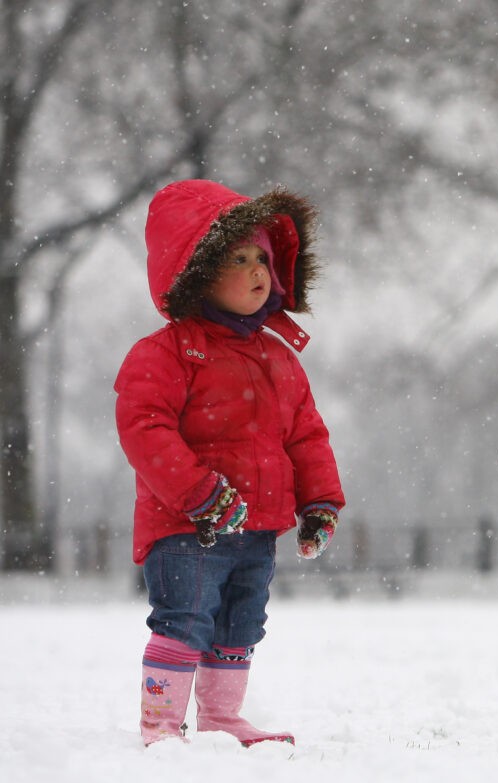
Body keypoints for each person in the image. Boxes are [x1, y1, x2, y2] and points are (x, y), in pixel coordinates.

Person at [114, 179, 345, 747]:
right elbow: (145, 429)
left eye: (262, 257)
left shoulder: (277, 357)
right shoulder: (167, 353)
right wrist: (196, 491)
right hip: (188, 525)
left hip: (257, 525)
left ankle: (221, 717)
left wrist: (319, 501)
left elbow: (305, 434)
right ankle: (161, 724)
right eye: (237, 259)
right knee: (185, 618)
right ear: (196, 272)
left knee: (240, 623)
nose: (257, 270)